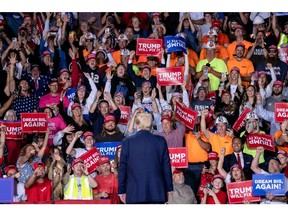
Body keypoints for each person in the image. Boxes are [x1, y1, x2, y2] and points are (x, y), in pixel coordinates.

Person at [118, 112, 173, 204]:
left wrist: (122, 190)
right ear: (151, 125)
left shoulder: (127, 142)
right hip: (157, 192)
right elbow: (166, 167)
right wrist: (169, 188)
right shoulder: (160, 140)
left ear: (136, 124)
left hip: (134, 193)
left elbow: (123, 168)